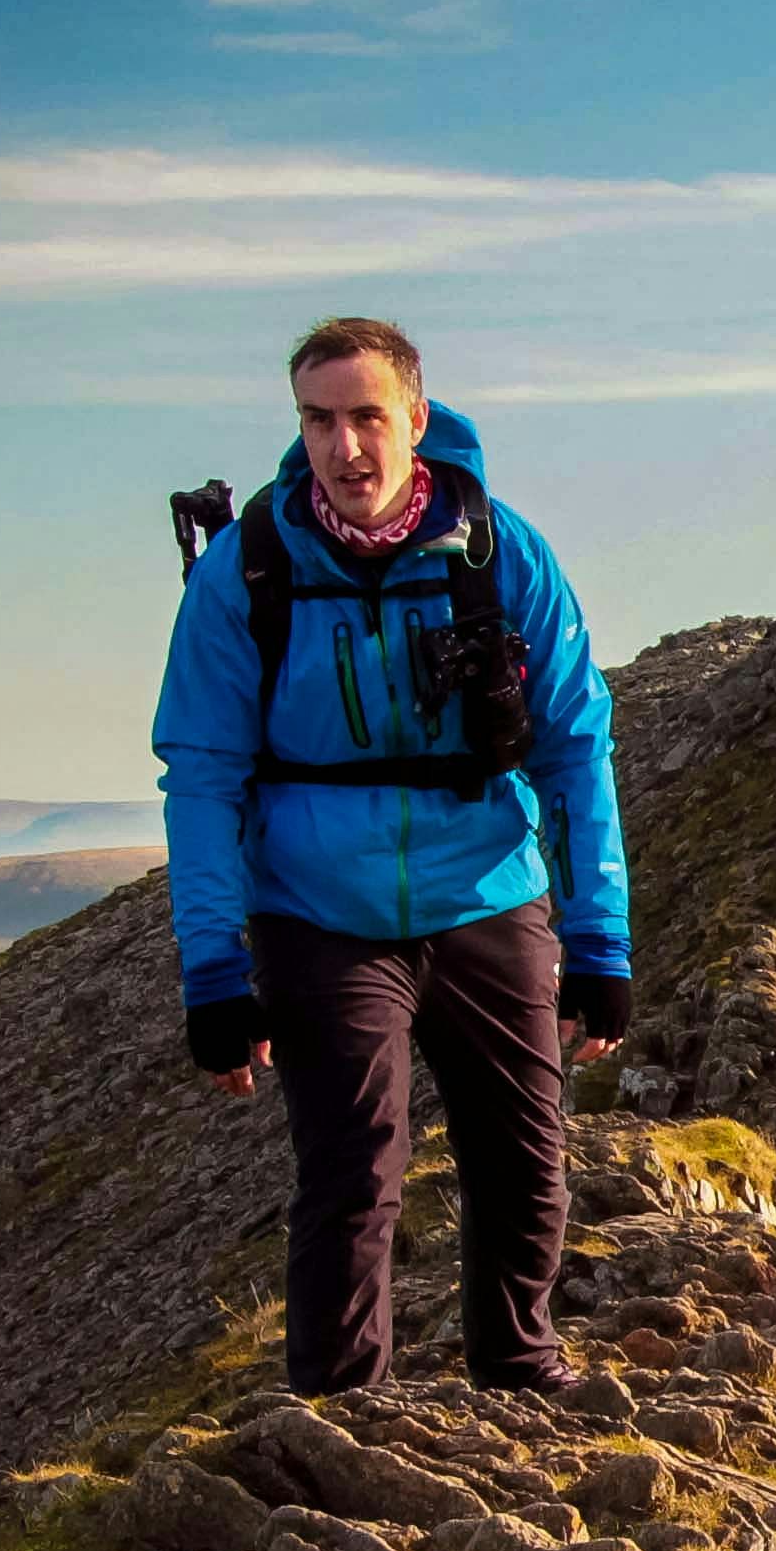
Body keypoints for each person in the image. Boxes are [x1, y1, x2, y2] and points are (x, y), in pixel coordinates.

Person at [154, 316, 631, 1393]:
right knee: (353, 1171)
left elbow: (576, 747)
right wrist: (214, 975)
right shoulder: (249, 569)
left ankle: (521, 1375)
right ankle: (339, 1412)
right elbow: (201, 775)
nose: (345, 446)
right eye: (318, 420)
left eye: (368, 416)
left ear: (416, 419)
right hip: (318, 913)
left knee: (524, 1157)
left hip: (487, 895)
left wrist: (601, 940)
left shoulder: (504, 554)